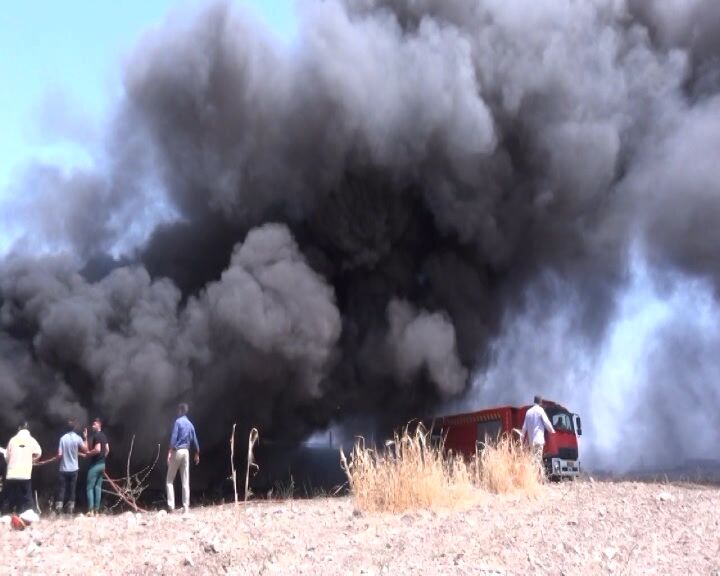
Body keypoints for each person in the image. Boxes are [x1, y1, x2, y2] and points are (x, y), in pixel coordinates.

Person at [166, 403, 200, 513]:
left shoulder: (178, 422)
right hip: (186, 452)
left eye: (178, 410)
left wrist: (170, 452)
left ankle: (171, 506)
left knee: (169, 480)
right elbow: (195, 440)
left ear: (180, 411)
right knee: (185, 481)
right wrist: (197, 453)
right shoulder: (190, 424)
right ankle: (186, 507)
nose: (177, 412)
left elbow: (173, 438)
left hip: (178, 451)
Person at [0, 423, 42, 514]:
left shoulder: (12, 440)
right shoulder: (32, 440)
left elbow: (6, 455)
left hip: (11, 474)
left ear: (19, 429)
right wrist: (32, 460)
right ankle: (27, 515)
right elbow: (39, 452)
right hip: (25, 474)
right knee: (27, 496)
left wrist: (10, 462)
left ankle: (5, 514)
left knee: (8, 496)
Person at [53, 418, 87, 515]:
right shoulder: (77, 438)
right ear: (74, 428)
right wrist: (85, 438)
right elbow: (86, 449)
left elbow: (59, 454)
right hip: (73, 469)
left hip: (63, 469)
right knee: (72, 489)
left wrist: (57, 457)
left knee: (62, 489)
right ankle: (70, 510)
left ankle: (59, 510)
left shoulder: (62, 438)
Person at [85, 417, 109, 516]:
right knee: (98, 488)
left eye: (94, 424)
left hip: (95, 466)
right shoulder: (104, 436)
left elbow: (98, 449)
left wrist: (89, 454)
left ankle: (91, 511)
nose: (92, 426)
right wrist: (102, 459)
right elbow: (107, 449)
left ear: (99, 425)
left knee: (89, 488)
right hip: (102, 465)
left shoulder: (97, 436)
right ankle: (97, 511)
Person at [521, 396, 556, 466]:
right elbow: (546, 422)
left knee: (533, 459)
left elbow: (524, 427)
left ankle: (532, 475)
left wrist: (521, 439)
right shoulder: (540, 410)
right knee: (537, 461)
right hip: (538, 441)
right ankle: (536, 476)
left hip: (531, 442)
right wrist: (552, 431)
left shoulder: (528, 412)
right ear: (540, 402)